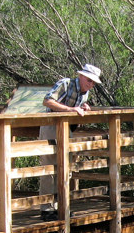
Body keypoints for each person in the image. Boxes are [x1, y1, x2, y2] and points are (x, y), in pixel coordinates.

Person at [39, 64, 102, 221]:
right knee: (49, 168)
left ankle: (62, 206)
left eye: (93, 83)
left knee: (66, 168)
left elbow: (76, 112)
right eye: (89, 80)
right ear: (81, 76)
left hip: (67, 130)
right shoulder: (65, 84)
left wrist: (83, 108)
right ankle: (47, 209)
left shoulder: (84, 94)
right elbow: (47, 101)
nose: (91, 84)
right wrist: (71, 110)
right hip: (51, 126)